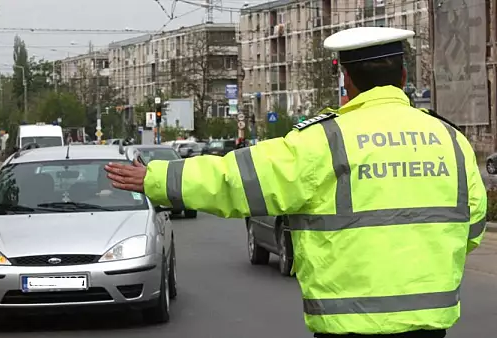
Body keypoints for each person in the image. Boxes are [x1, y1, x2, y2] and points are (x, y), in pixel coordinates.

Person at [105, 26, 487, 338]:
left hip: (349, 325)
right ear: (404, 77)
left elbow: (235, 180)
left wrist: (157, 176)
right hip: (431, 323)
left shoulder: (324, 141)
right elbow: (472, 227)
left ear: (346, 79)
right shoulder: (450, 140)